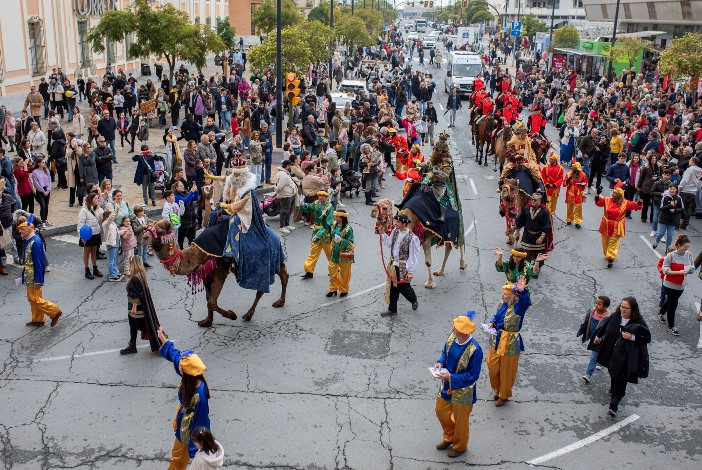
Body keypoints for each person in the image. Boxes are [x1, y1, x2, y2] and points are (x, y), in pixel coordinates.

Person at [157, 327, 210, 470]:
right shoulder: (192, 378)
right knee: (178, 460)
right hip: (185, 429)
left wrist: (195, 451)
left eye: (181, 366)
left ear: (186, 373)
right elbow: (175, 355)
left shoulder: (198, 397)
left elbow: (200, 422)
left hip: (188, 435)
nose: (179, 365)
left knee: (177, 461)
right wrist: (162, 337)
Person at [433, 311, 483, 458]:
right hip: (447, 385)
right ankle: (449, 437)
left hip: (463, 391)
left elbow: (473, 376)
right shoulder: (452, 339)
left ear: (463, 332)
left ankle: (460, 446)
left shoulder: (475, 350)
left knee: (461, 422)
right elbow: (444, 353)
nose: (452, 330)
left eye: (455, 328)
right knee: (440, 411)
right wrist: (440, 362)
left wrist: (451, 378)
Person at [594, 296, 650, 417]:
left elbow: (647, 338)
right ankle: (613, 389)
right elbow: (605, 326)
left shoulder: (638, 322)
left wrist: (632, 337)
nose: (622, 310)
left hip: (626, 357)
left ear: (633, 309)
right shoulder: (616, 316)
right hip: (612, 353)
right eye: (621, 306)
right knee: (612, 372)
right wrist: (598, 337)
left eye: (626, 308)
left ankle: (614, 405)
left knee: (621, 378)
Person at [486, 275, 531, 406]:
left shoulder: (518, 307)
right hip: (497, 338)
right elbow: (496, 317)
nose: (502, 296)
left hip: (510, 341)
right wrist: (492, 323)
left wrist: (522, 291)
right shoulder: (502, 304)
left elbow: (526, 302)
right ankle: (498, 387)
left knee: (507, 370)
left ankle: (503, 394)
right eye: (503, 293)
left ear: (511, 296)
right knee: (492, 365)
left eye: (505, 294)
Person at [18, 215, 62, 327]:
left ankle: (54, 311)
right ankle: (38, 319)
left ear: (29, 229)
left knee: (33, 298)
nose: (21, 232)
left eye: (22, 229)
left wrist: (39, 280)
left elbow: (39, 263)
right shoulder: (30, 239)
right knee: (36, 297)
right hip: (30, 274)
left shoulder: (35, 243)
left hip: (33, 276)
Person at [595, 182, 642, 268]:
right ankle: (607, 254)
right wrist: (597, 194)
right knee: (605, 242)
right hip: (606, 224)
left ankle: (611, 258)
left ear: (619, 195)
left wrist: (639, 202)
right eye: (613, 193)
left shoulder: (625, 203)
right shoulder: (607, 200)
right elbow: (599, 203)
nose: (613, 194)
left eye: (615, 193)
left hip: (617, 226)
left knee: (613, 241)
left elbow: (635, 206)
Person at [381, 213, 420, 317]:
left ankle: (413, 299)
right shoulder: (395, 231)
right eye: (395, 221)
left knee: (403, 287)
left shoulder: (412, 237)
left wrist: (411, 271)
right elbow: (389, 243)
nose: (395, 223)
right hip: (393, 263)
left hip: (403, 266)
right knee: (393, 288)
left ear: (404, 223)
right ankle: (392, 310)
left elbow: (413, 255)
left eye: (398, 222)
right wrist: (383, 234)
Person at [120, 256, 161, 354]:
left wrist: (134, 307)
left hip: (136, 309)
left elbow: (135, 295)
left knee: (145, 327)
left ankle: (161, 341)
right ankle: (132, 345)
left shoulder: (134, 278)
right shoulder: (140, 275)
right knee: (133, 326)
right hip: (134, 307)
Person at [659, 234, 694, 336]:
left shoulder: (689, 254)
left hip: (681, 284)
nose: (686, 249)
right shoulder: (670, 256)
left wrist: (692, 269)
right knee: (673, 304)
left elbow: (691, 265)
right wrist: (680, 272)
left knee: (670, 300)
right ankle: (671, 326)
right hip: (670, 285)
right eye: (685, 247)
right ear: (678, 245)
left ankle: (661, 313)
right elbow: (665, 270)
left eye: (688, 247)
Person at [300, 190, 334, 279]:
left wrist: (320, 233)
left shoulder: (329, 206)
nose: (321, 197)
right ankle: (309, 271)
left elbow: (329, 222)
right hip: (316, 232)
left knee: (329, 252)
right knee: (313, 252)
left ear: (327, 197)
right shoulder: (316, 203)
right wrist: (302, 204)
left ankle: (334, 269)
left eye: (323, 196)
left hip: (325, 233)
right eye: (320, 195)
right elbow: (309, 207)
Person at [578, 295, 611, 383]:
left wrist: (601, 338)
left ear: (605, 307)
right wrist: (582, 331)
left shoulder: (608, 318)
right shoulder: (592, 312)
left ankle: (588, 374)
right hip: (592, 337)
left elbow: (609, 331)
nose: (596, 305)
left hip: (600, 340)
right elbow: (586, 322)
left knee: (593, 356)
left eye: (599, 304)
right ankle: (600, 362)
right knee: (598, 354)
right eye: (595, 303)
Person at [515, 191, 551, 263]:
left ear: (540, 201)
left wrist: (541, 237)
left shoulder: (545, 212)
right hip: (527, 236)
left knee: (538, 258)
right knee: (526, 257)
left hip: (538, 237)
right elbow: (520, 221)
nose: (533, 201)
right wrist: (516, 230)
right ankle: (526, 270)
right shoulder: (526, 209)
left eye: (535, 200)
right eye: (532, 199)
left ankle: (535, 270)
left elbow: (547, 226)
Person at [327, 209, 354, 298]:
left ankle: (344, 289)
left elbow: (351, 243)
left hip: (344, 253)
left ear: (341, 218)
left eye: (337, 216)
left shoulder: (348, 229)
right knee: (332, 270)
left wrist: (342, 241)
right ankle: (333, 288)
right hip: (335, 251)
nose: (335, 217)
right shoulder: (334, 225)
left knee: (344, 273)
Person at [652, 183, 683, 252]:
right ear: (668, 189)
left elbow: (681, 208)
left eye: (674, 189)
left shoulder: (678, 198)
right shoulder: (665, 197)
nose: (672, 190)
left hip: (673, 220)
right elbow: (662, 208)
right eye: (671, 189)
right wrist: (669, 205)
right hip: (664, 219)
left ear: (676, 190)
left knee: (670, 235)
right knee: (661, 233)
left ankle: (667, 250)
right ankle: (656, 241)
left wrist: (675, 210)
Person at [274, 160, 296, 235]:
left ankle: (287, 224)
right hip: (285, 196)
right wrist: (278, 192)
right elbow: (279, 186)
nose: (291, 167)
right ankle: (282, 227)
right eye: (290, 165)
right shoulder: (283, 174)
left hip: (289, 195)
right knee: (284, 211)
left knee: (289, 211)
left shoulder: (286, 173)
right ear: (287, 166)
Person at [564, 161, 588, 229]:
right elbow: (564, 184)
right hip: (570, 193)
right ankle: (569, 219)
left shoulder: (582, 174)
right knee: (569, 207)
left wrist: (583, 184)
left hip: (578, 193)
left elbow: (586, 181)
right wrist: (569, 179)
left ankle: (578, 222)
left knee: (578, 208)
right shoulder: (568, 174)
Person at [30, 156, 52, 225]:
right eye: (42, 162)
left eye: (44, 162)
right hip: (40, 190)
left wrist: (48, 190)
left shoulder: (46, 170)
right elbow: (36, 183)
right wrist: (42, 191)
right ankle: (42, 221)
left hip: (47, 189)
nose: (44, 164)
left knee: (46, 205)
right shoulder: (35, 172)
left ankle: (45, 219)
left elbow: (49, 181)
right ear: (38, 163)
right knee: (42, 205)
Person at [102, 209, 122, 282]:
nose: (113, 217)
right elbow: (109, 220)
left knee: (114, 259)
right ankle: (112, 275)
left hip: (115, 243)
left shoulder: (113, 224)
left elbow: (116, 233)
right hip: (111, 244)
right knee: (111, 260)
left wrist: (122, 232)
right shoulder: (105, 224)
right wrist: (112, 214)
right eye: (111, 216)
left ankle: (115, 272)